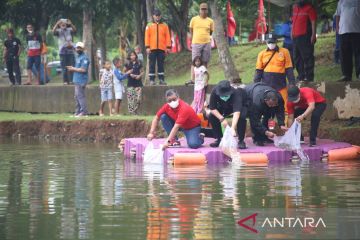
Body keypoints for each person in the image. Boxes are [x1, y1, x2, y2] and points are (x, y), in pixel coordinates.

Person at [253, 33, 296, 112]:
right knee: (266, 106)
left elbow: (289, 69)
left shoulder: (285, 52)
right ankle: (268, 123)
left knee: (284, 106)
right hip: (266, 85)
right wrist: (255, 85)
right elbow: (258, 71)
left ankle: (284, 124)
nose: (271, 44)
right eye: (269, 42)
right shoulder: (261, 54)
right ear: (266, 42)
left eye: (272, 42)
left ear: (276, 42)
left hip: (281, 85)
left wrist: (292, 83)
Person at [208, 80, 247, 149]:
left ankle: (241, 140)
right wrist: (222, 119)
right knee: (211, 116)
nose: (224, 96)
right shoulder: (214, 91)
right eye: (222, 95)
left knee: (242, 117)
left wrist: (232, 128)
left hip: (237, 106)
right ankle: (219, 138)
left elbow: (237, 112)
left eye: (226, 95)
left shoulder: (236, 92)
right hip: (223, 106)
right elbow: (212, 108)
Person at [187, 2, 214, 85]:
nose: (203, 11)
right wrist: (193, 40)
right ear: (199, 10)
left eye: (205, 9)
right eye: (202, 9)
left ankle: (204, 80)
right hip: (196, 42)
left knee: (205, 62)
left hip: (207, 43)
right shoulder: (194, 19)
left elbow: (211, 32)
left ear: (207, 10)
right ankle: (193, 79)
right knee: (194, 62)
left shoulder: (210, 21)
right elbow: (191, 30)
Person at [291, 0, 317, 82]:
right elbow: (293, 21)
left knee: (307, 57)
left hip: (305, 36)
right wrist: (292, 32)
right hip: (295, 37)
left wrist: (313, 34)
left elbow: (313, 22)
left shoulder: (309, 8)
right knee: (296, 57)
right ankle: (301, 76)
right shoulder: (295, 8)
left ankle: (309, 77)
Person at [145, 9, 171, 85]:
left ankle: (161, 79)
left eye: (159, 15)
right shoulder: (149, 25)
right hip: (152, 48)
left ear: (160, 16)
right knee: (152, 64)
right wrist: (147, 47)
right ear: (153, 16)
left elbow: (168, 37)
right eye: (156, 15)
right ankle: (152, 80)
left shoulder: (165, 25)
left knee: (161, 64)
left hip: (161, 48)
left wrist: (168, 47)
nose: (157, 17)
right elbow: (147, 37)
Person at [336, 0, 360, 82]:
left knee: (358, 53)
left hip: (357, 31)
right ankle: (346, 75)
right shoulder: (341, 2)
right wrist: (337, 28)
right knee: (344, 54)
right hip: (343, 31)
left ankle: (359, 73)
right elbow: (338, 15)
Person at [66, 42, 90, 117]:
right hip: (76, 80)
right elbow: (78, 68)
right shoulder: (78, 57)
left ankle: (84, 112)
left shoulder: (84, 58)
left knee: (80, 96)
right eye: (77, 48)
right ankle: (77, 112)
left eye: (80, 48)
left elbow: (83, 70)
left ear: (83, 49)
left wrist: (73, 69)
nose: (78, 49)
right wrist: (72, 68)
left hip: (81, 80)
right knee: (76, 96)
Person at [52, 18, 76, 85]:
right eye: (61, 23)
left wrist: (70, 24)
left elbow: (74, 30)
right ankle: (65, 81)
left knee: (71, 66)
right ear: (60, 24)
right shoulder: (58, 31)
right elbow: (53, 32)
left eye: (64, 23)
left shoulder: (69, 30)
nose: (63, 24)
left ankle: (71, 80)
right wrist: (57, 24)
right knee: (64, 67)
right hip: (62, 52)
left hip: (70, 51)